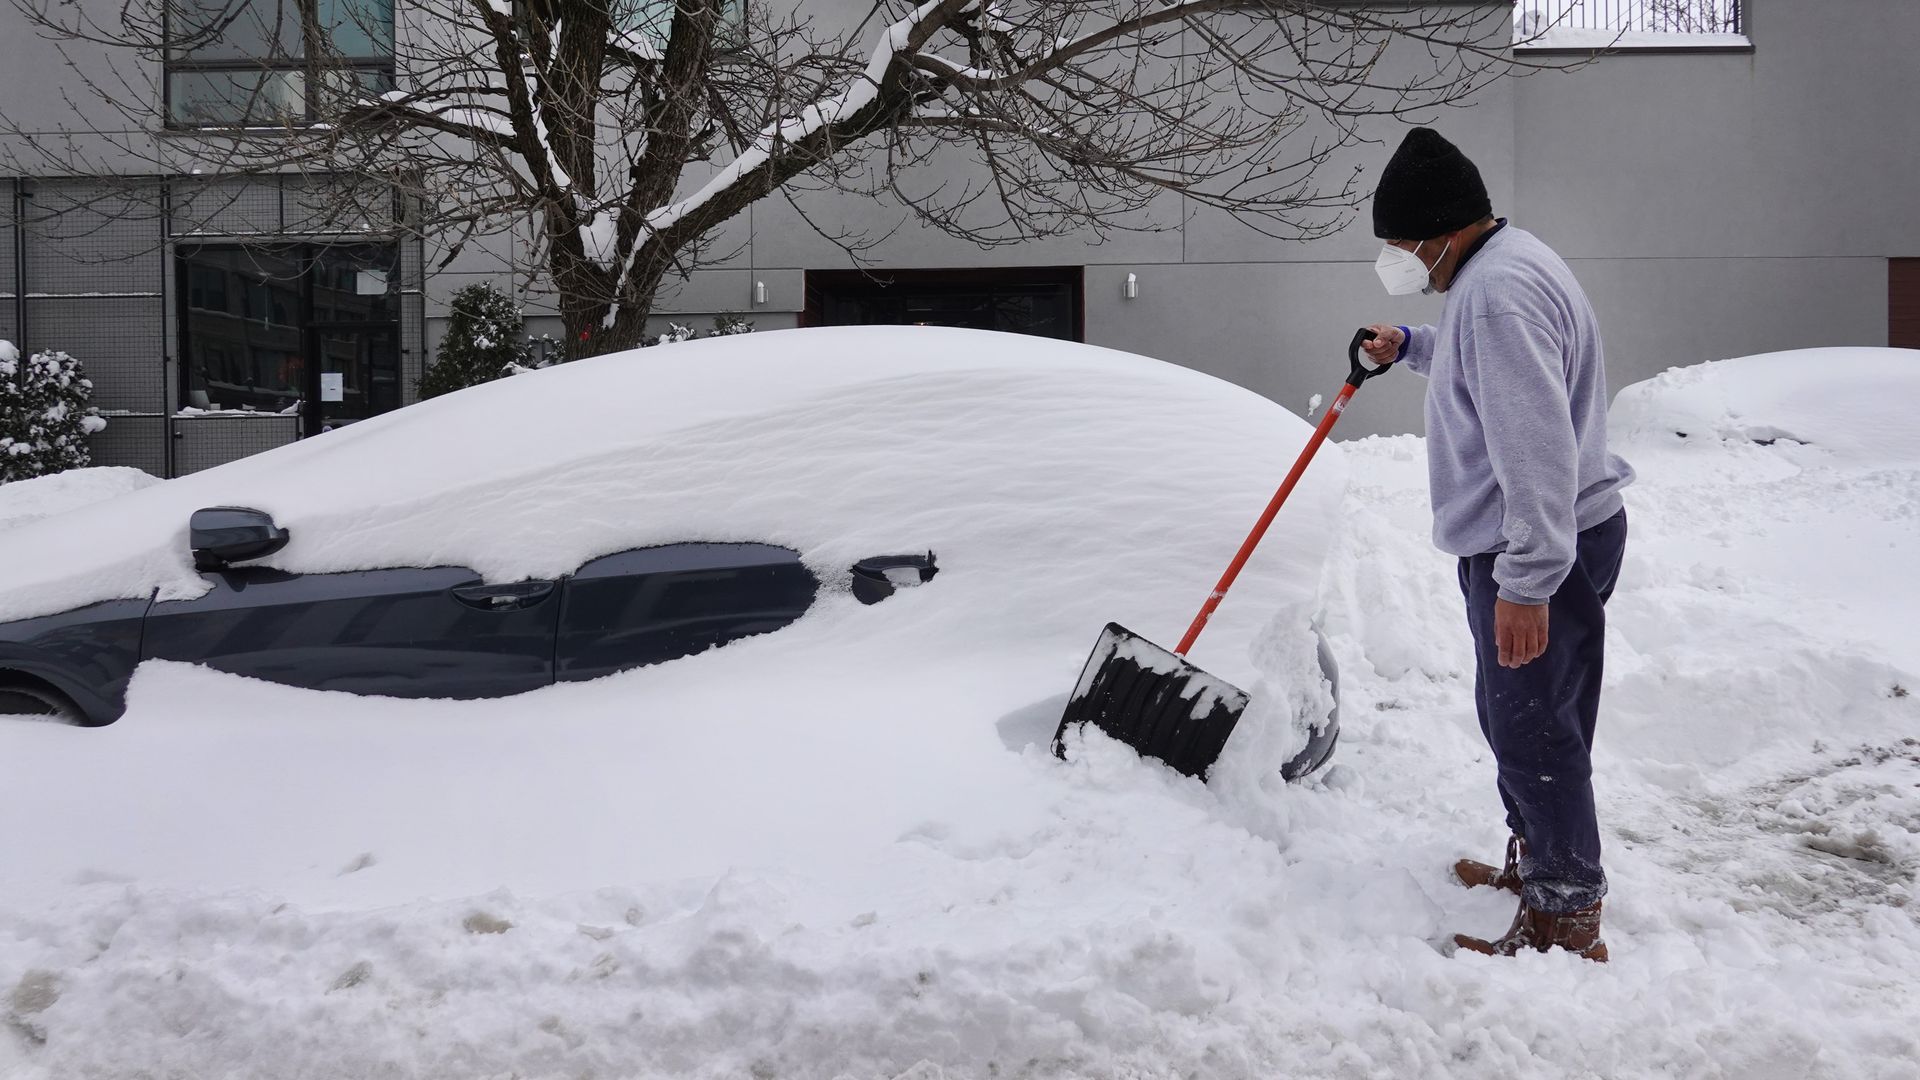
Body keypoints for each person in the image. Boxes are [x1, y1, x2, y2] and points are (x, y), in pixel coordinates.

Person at [1360, 128, 1635, 962]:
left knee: (1533, 730)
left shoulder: (1498, 295)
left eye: (1400, 243)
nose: (1396, 258)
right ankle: (1540, 862)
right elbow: (1493, 371)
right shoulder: (1500, 270)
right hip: (1547, 540)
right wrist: (1411, 345)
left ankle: (1565, 915)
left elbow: (1537, 449)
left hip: (1538, 547)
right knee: (1524, 717)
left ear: (1441, 231)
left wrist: (1526, 581)